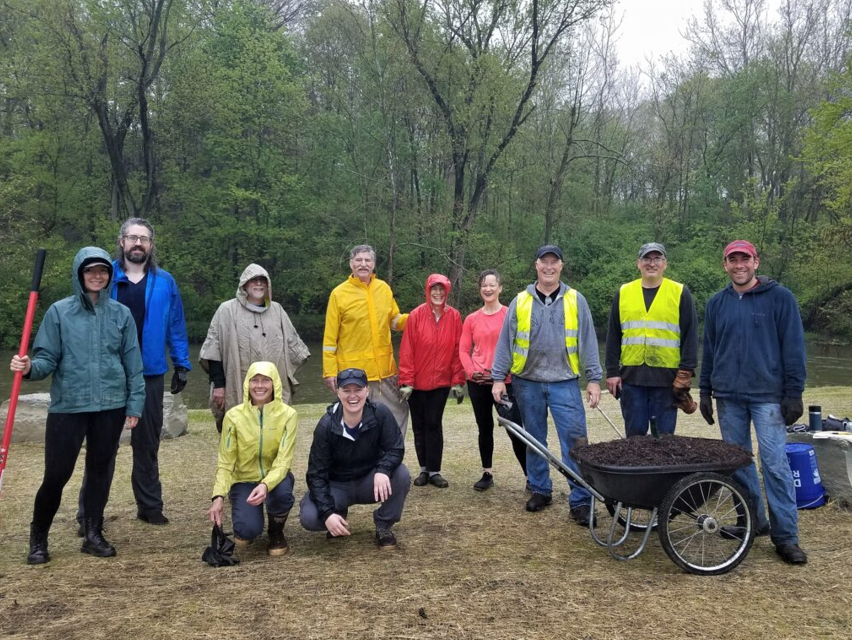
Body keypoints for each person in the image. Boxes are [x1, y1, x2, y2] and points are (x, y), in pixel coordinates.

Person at [11, 247, 145, 564]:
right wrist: (29, 367)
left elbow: (133, 364)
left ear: (110, 276)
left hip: (111, 406)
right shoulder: (59, 313)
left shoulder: (120, 314)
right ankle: (39, 538)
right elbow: (46, 359)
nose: (96, 276)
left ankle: (93, 533)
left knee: (100, 472)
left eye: (102, 271)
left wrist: (134, 404)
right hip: (68, 406)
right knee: (57, 474)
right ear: (79, 275)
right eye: (90, 271)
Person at [77, 217, 191, 529]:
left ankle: (149, 505)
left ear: (151, 246)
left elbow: (176, 326)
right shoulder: (102, 279)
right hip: (109, 373)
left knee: (147, 443)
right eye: (132, 238)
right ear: (122, 241)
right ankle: (89, 513)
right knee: (103, 445)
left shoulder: (165, 281)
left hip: (150, 372)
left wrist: (181, 363)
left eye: (144, 239)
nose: (138, 243)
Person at [700, 240, 808, 565]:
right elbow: (710, 349)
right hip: (729, 398)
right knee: (738, 465)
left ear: (756, 262)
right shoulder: (717, 303)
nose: (739, 265)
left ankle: (786, 536)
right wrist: (704, 391)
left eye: (744, 259)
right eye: (732, 260)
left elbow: (794, 348)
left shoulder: (780, 299)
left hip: (768, 397)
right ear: (725, 265)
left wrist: (794, 393)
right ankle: (753, 521)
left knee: (774, 464)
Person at [491, 245, 602, 525]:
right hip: (527, 382)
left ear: (561, 266)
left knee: (575, 443)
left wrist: (594, 380)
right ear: (536, 265)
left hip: (565, 383)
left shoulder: (576, 300)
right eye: (544, 262)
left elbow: (588, 342)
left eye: (554, 262)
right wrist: (497, 378)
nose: (549, 267)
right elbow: (506, 341)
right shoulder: (520, 301)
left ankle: (580, 499)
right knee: (534, 441)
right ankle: (540, 489)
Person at [299, 368, 410, 550]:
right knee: (310, 518)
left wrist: (382, 470)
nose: (353, 396)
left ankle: (383, 525)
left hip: (370, 481)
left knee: (401, 474)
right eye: (346, 390)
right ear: (338, 392)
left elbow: (395, 448)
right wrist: (327, 513)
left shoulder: (380, 413)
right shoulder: (326, 425)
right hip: (338, 486)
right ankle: (337, 514)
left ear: (367, 390)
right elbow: (316, 474)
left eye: (358, 390)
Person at [200, 263, 309, 433]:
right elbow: (214, 349)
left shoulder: (277, 310)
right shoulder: (226, 310)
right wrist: (219, 384)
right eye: (253, 280)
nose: (258, 284)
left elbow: (293, 347)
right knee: (239, 431)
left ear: (268, 285)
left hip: (272, 384)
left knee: (272, 432)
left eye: (262, 280)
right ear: (244, 284)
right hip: (237, 382)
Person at [604, 242, 699, 436]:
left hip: (667, 381)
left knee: (664, 439)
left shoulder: (680, 292)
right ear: (638, 263)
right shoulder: (624, 292)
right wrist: (612, 371)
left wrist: (686, 371)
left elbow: (690, 335)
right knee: (635, 437)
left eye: (657, 258)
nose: (652, 263)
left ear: (665, 264)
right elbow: (613, 334)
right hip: (631, 379)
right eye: (647, 258)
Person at [208, 362, 298, 557]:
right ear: (247, 384)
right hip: (244, 480)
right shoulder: (233, 416)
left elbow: (284, 461)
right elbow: (225, 462)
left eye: (266, 380)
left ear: (274, 384)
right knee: (247, 531)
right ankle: (243, 510)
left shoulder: (289, 415)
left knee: (282, 493)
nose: (259, 385)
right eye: (254, 380)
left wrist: (266, 485)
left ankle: (276, 532)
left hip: (275, 479)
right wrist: (218, 496)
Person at [322, 245, 409, 434]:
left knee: (397, 412)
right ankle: (358, 461)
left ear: (374, 264)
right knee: (357, 423)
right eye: (359, 260)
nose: (363, 264)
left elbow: (394, 320)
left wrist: (417, 317)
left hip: (384, 371)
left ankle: (390, 457)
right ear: (351, 264)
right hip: (353, 373)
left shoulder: (383, 288)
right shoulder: (339, 294)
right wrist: (329, 371)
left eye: (367, 260)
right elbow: (330, 339)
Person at [459, 269, 528, 491]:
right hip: (478, 383)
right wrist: (471, 372)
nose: (487, 289)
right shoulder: (471, 319)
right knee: (484, 427)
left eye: (492, 285)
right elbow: (462, 350)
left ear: (500, 288)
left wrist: (504, 372)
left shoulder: (511, 314)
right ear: (480, 289)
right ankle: (487, 473)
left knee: (514, 429)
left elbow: (519, 348)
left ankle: (530, 477)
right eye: (483, 285)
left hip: (505, 382)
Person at [398, 274, 465, 489]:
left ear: (446, 292)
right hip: (416, 384)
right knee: (419, 425)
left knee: (434, 424)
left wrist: (457, 380)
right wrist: (406, 381)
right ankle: (424, 469)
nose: (438, 293)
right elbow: (407, 350)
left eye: (441, 290)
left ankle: (435, 471)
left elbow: (458, 349)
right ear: (428, 291)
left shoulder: (454, 316)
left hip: (441, 382)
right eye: (434, 289)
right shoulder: (416, 316)